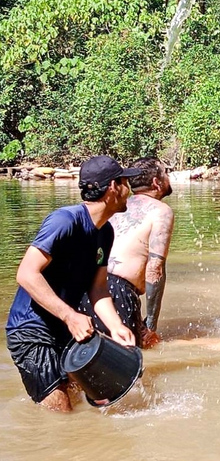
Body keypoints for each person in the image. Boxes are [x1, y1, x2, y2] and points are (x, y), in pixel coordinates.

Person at [5, 155, 140, 411]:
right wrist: (70, 316)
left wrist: (115, 326)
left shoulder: (105, 232)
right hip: (31, 330)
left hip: (65, 329)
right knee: (61, 412)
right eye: (125, 182)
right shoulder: (65, 221)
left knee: (84, 402)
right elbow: (26, 273)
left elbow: (98, 288)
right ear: (113, 187)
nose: (129, 190)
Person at [81, 157, 174, 348]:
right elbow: (155, 268)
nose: (169, 177)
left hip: (87, 288)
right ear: (157, 182)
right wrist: (151, 325)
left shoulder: (116, 205)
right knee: (129, 368)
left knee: (92, 361)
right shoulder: (161, 211)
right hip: (117, 291)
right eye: (166, 172)